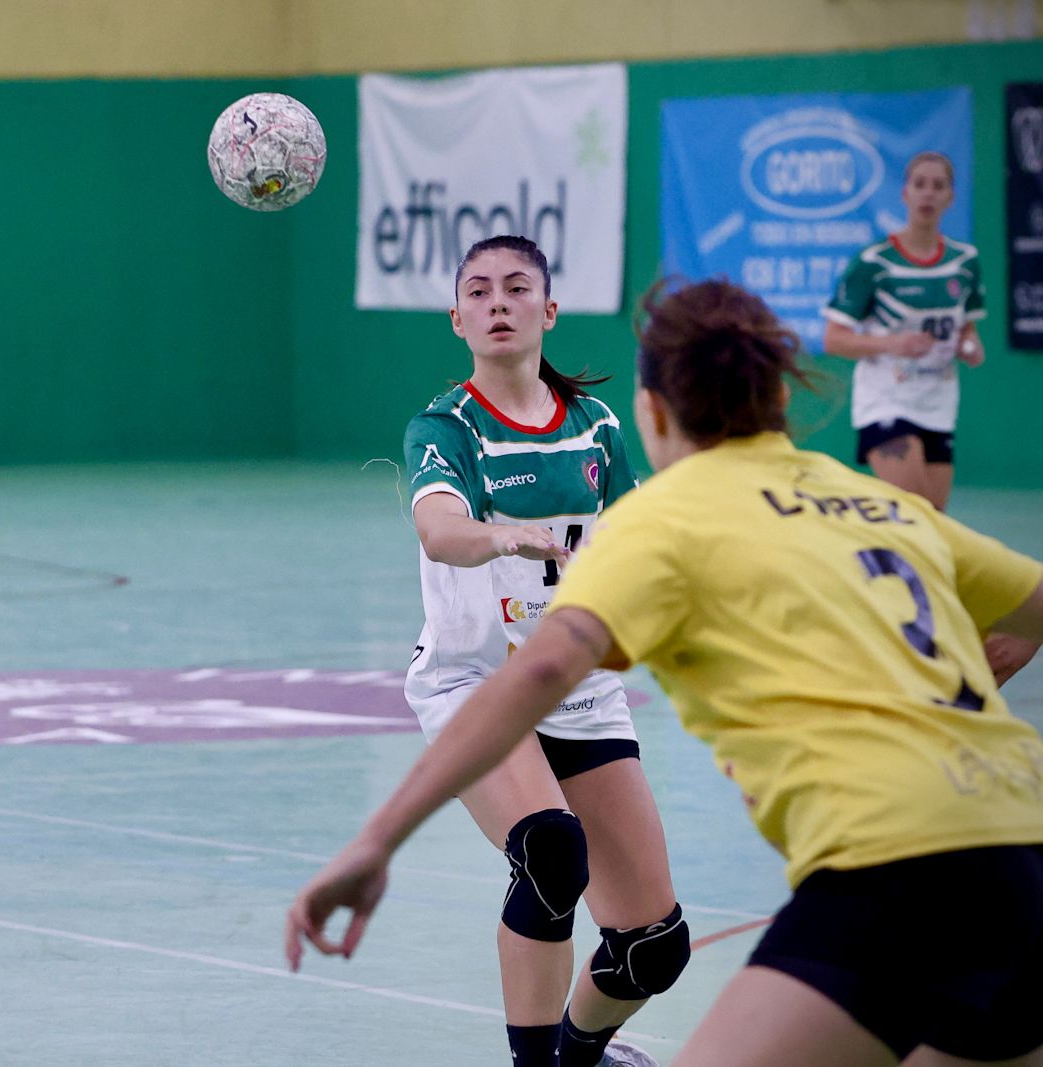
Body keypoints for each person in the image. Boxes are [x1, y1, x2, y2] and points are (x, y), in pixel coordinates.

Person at [287, 277, 1043, 1066]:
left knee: (661, 940)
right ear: (781, 398)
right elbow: (1028, 615)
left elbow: (539, 675)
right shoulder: (882, 504)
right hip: (1025, 848)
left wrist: (377, 840)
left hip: (892, 870)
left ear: (649, 412)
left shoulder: (663, 523)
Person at [399, 234, 685, 1067]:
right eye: (479, 290)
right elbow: (438, 528)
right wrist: (495, 536)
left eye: (517, 287)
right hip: (475, 684)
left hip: (578, 689)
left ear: (549, 310)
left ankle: (577, 1053)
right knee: (552, 854)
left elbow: (637, 544)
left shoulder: (596, 426)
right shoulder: (447, 427)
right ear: (457, 319)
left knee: (652, 945)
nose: (498, 301)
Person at [819, 152, 1037, 686]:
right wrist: (893, 343)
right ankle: (880, 628)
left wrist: (969, 346)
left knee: (930, 524)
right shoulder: (875, 262)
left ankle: (920, 635)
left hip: (938, 404)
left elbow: (967, 330)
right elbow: (834, 338)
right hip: (886, 403)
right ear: (905, 192)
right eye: (919, 183)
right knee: (913, 516)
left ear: (950, 196)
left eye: (939, 185)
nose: (928, 193)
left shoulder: (964, 262)